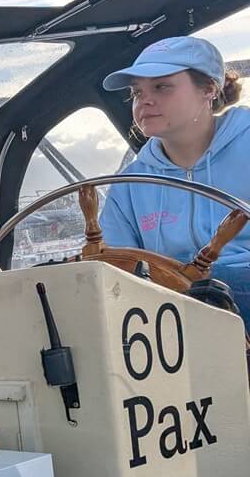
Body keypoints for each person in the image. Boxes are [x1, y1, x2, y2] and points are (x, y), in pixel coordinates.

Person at [99, 35, 249, 325]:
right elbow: (116, 269)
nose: (146, 100)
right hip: (172, 310)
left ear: (208, 89)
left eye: (162, 86)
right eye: (137, 92)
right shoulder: (130, 184)